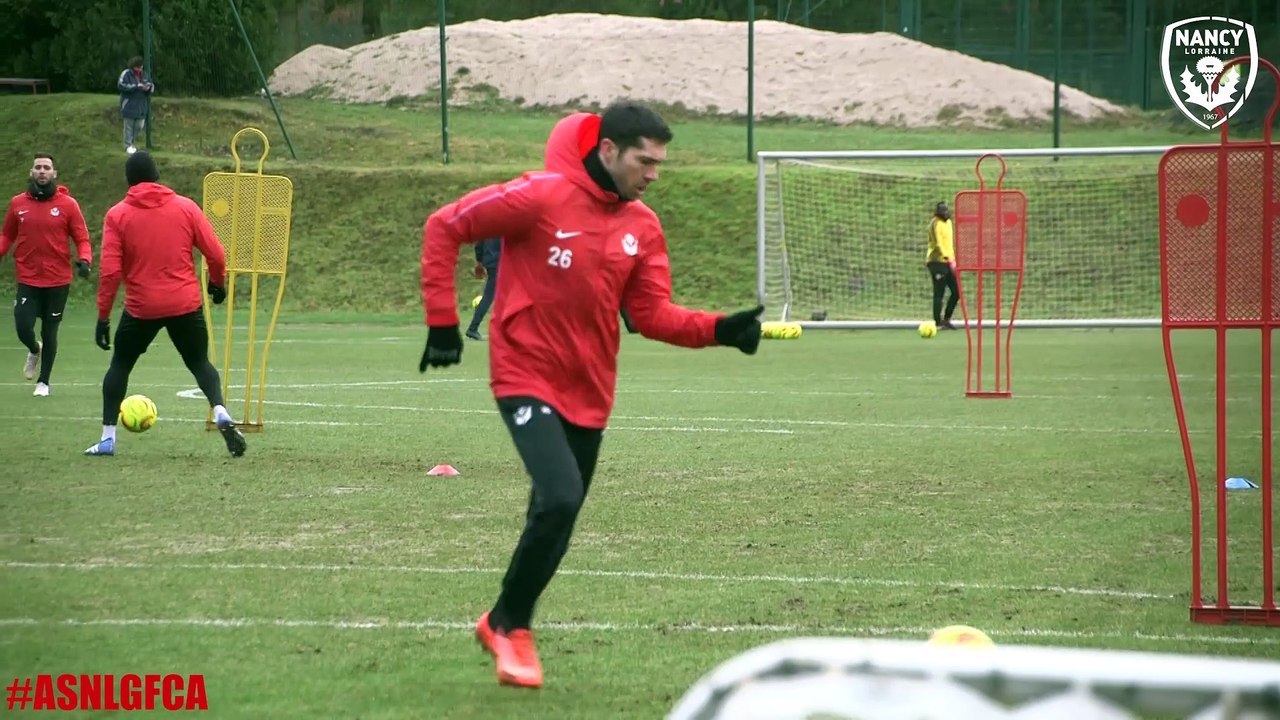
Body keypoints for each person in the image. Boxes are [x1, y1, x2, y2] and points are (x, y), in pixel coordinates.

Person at [419, 100, 763, 689]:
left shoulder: (643, 226)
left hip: (591, 390)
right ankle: (514, 629)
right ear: (609, 151)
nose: (653, 173)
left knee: (559, 510)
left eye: (660, 162)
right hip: (523, 372)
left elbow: (651, 314)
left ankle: (500, 620)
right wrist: (443, 322)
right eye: (644, 160)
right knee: (558, 495)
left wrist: (717, 330)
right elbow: (445, 225)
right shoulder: (541, 195)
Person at [85, 151, 246, 459]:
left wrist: (103, 317)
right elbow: (215, 253)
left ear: (129, 180)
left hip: (141, 307)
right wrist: (217, 284)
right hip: (184, 302)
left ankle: (107, 438)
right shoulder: (185, 207)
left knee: (120, 364)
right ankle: (221, 410)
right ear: (158, 176)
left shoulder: (117, 215)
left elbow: (109, 272)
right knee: (200, 362)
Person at [0, 153, 92, 396]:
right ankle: (33, 349)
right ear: (31, 172)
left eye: (46, 167)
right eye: (38, 167)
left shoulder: (68, 205)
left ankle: (44, 382)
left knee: (50, 331)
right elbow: (7, 235)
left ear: (54, 173)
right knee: (22, 326)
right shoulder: (18, 204)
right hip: (28, 279)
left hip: (57, 281)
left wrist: (85, 259)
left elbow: (81, 237)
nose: (42, 171)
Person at [925, 200, 959, 330]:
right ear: (937, 212)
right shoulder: (935, 223)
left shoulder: (949, 222)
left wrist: (953, 259)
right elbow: (938, 244)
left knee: (956, 292)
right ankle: (937, 323)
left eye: (946, 210)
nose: (945, 213)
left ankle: (946, 319)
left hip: (948, 260)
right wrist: (948, 258)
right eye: (942, 211)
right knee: (939, 292)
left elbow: (949, 243)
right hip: (936, 262)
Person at [466, 236, 501, 340]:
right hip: (499, 262)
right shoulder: (506, 222)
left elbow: (479, 243)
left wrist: (479, 261)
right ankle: (473, 328)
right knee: (489, 296)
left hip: (490, 261)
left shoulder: (487, 222)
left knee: (493, 295)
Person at [118, 56, 154, 154]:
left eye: (141, 67)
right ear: (133, 66)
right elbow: (121, 85)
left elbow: (151, 85)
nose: (139, 69)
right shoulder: (126, 74)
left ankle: (131, 143)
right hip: (129, 105)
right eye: (137, 67)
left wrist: (148, 88)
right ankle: (127, 145)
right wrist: (136, 86)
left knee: (139, 125)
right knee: (128, 126)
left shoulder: (144, 75)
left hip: (141, 105)